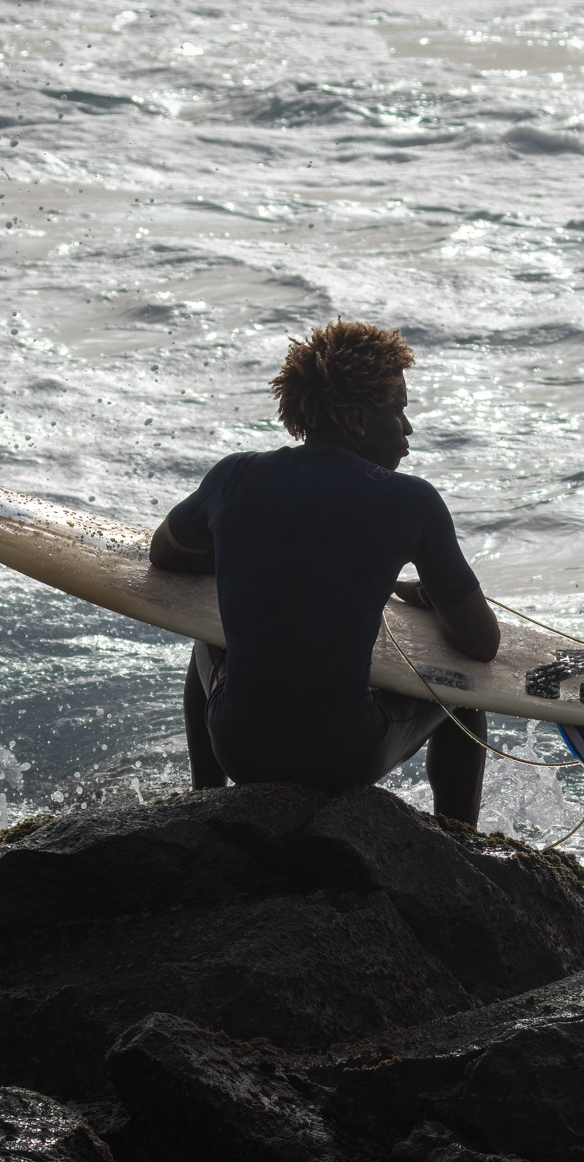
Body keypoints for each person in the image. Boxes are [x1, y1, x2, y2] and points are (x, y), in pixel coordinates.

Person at [148, 320, 501, 825]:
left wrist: (245, 550)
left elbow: (166, 552)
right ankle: (459, 842)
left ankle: (206, 803)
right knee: (461, 698)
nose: (408, 428)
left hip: (239, 747)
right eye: (397, 409)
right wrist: (436, 600)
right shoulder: (411, 502)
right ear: (357, 418)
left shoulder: (236, 474)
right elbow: (481, 645)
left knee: (208, 642)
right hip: (343, 757)